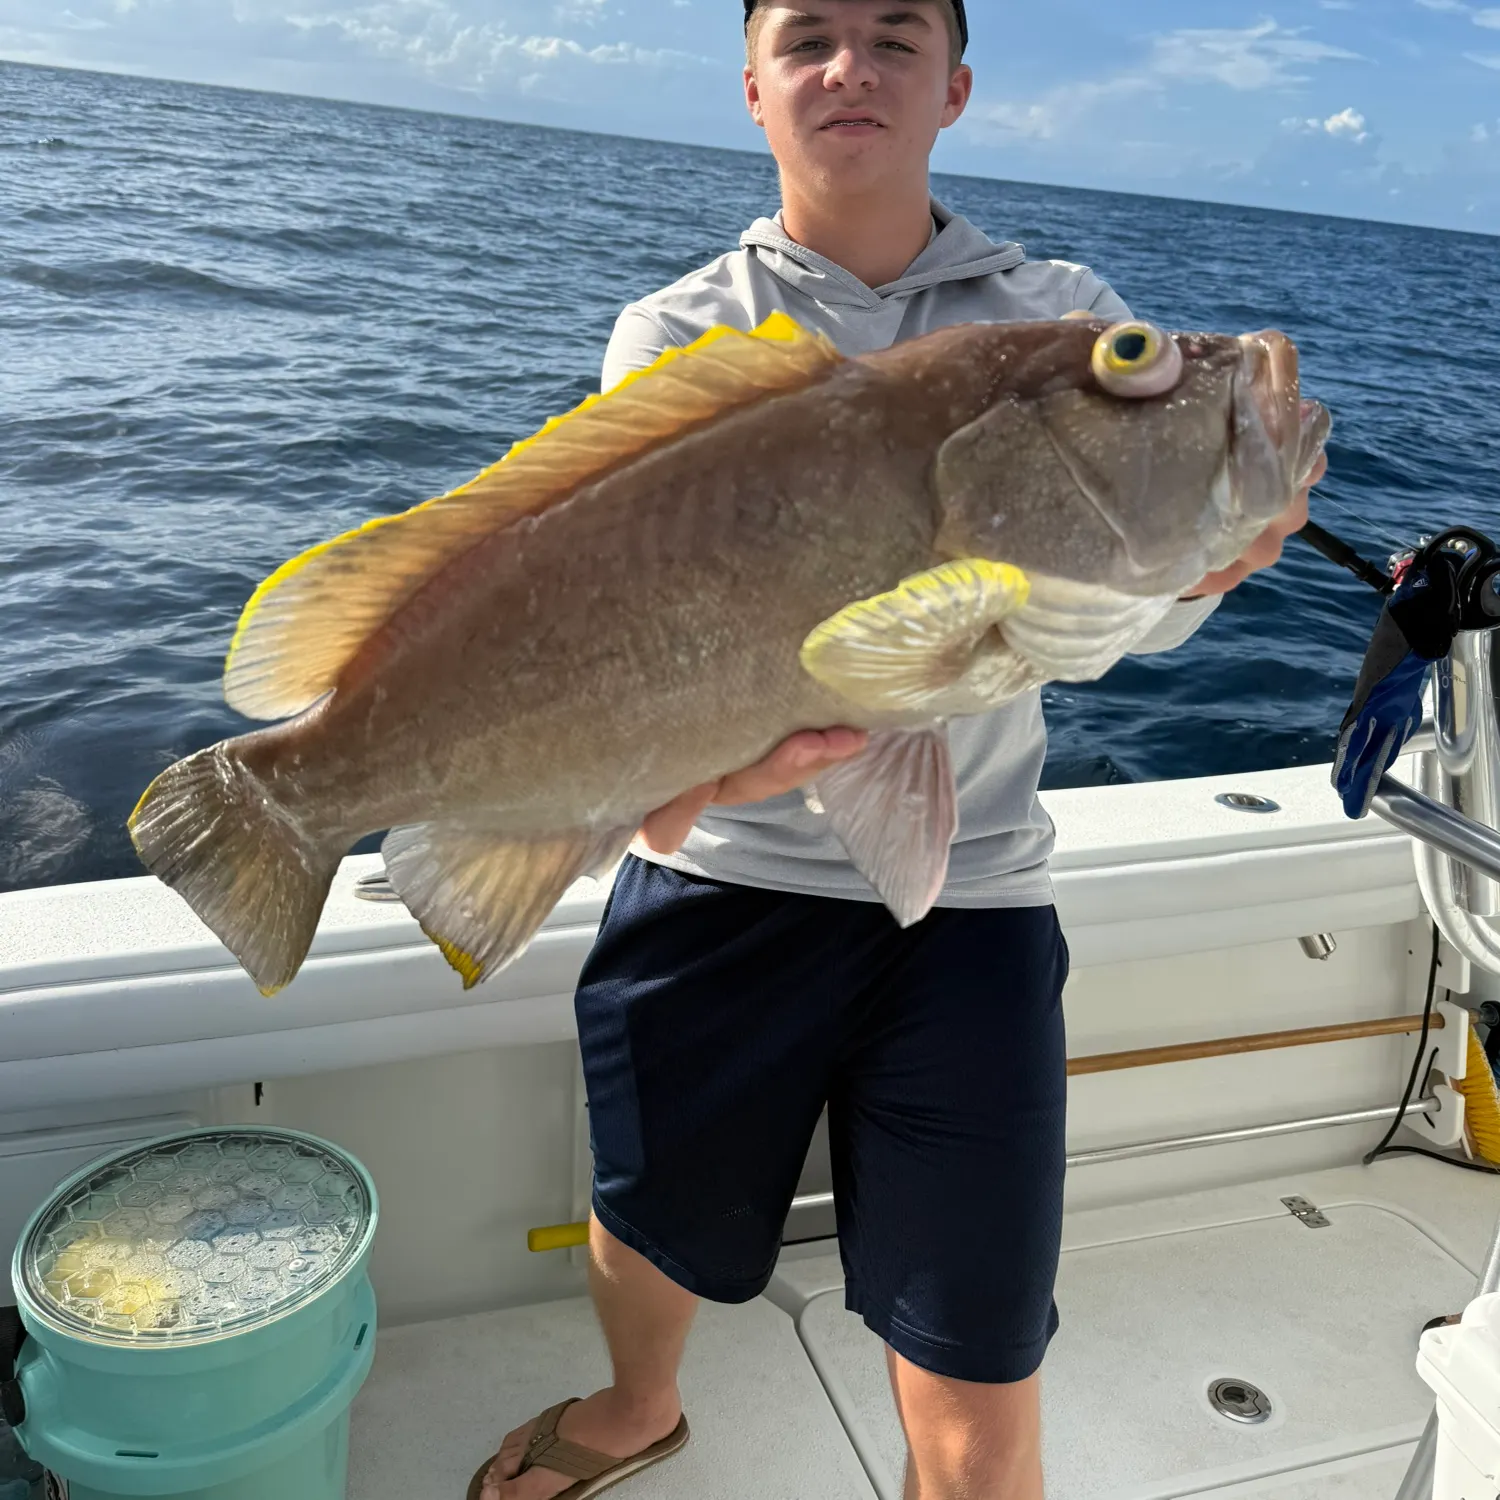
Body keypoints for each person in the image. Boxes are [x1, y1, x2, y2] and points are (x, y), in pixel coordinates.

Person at [474, 3, 1322, 1497]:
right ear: (753, 88)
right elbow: (617, 612)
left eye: (892, 36)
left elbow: (1112, 624)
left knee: (981, 1337)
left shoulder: (1063, 312)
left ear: (956, 88)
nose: (848, 68)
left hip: (972, 898)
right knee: (649, 1210)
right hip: (723, 875)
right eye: (808, 38)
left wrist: (1188, 581)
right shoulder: (675, 329)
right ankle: (637, 1406)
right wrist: (663, 777)